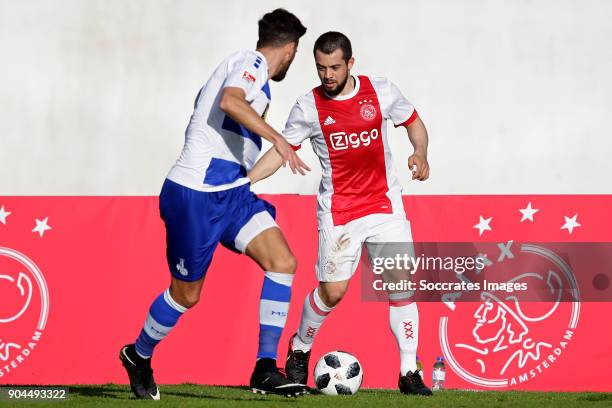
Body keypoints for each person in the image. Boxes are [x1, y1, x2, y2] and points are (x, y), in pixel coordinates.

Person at [119, 9, 310, 399]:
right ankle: (138, 355)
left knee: (282, 262)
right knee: (187, 295)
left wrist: (250, 175)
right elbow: (229, 101)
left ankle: (264, 368)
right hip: (195, 196)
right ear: (290, 49)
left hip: (231, 194)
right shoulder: (250, 62)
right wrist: (278, 138)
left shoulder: (250, 76)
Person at [248, 31, 433, 396]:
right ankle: (301, 345)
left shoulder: (381, 91)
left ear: (350, 63)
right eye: (321, 68)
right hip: (340, 211)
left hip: (384, 205)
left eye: (334, 67)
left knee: (401, 285)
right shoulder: (308, 107)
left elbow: (414, 122)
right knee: (332, 293)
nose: (327, 75)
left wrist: (420, 152)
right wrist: (246, 180)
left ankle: (409, 371)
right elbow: (282, 149)